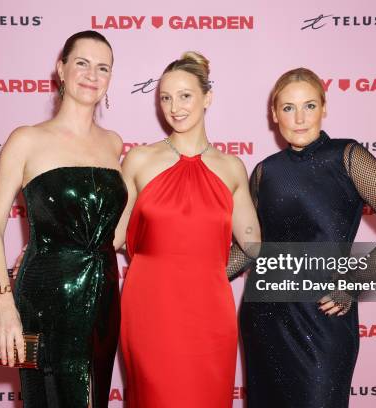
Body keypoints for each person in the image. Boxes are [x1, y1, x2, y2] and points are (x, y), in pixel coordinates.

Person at [236, 68, 376, 407]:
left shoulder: (347, 157)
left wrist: (355, 281)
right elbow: (251, 248)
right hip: (265, 319)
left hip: (323, 317)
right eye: (288, 107)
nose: (299, 118)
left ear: (324, 108)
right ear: (273, 113)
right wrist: (199, 279)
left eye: (309, 106)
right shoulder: (265, 171)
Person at [0, 30, 126, 408]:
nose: (91, 75)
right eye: (81, 63)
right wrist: (4, 307)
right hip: (47, 299)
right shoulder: (26, 140)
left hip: (106, 299)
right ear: (60, 69)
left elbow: (112, 229)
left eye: (103, 68)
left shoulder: (114, 143)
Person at [116, 51, 261, 408]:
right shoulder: (139, 160)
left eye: (185, 96)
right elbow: (114, 236)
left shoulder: (231, 167)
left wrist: (211, 273)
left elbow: (254, 244)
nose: (174, 107)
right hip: (149, 306)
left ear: (207, 98)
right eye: (165, 97)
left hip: (209, 310)